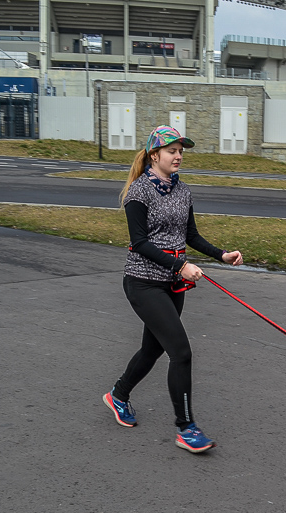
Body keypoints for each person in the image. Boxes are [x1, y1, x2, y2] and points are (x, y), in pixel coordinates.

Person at [102, 125, 244, 454]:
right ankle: (186, 428)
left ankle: (118, 395)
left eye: (181, 151)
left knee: (152, 349)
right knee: (180, 352)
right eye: (172, 151)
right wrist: (180, 266)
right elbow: (139, 243)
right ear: (154, 155)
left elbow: (190, 235)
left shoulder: (183, 190)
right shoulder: (139, 192)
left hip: (172, 283)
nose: (178, 156)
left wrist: (222, 255)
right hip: (143, 282)